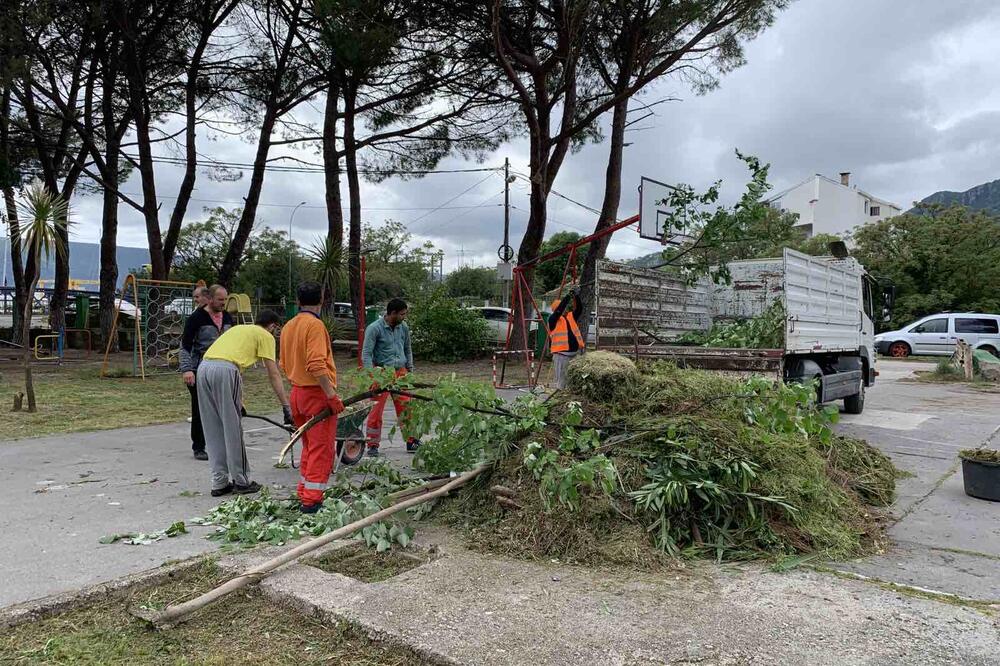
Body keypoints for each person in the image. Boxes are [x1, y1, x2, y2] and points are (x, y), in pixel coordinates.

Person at [197, 310, 291, 497]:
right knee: (232, 429)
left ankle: (220, 482)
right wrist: (286, 406)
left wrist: (240, 401)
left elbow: (236, 365)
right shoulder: (265, 336)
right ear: (272, 326)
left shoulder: (240, 329)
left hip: (204, 368)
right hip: (226, 370)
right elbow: (273, 374)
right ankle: (242, 481)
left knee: (213, 428)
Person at [279, 281, 346, 512]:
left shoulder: (289, 325)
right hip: (316, 395)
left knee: (309, 446)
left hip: (297, 392)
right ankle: (312, 501)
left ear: (298, 301)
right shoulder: (315, 326)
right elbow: (316, 364)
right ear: (322, 300)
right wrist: (331, 395)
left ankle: (304, 491)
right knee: (321, 449)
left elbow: (283, 363)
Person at [179, 284, 234, 460]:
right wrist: (187, 369)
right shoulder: (196, 318)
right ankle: (199, 446)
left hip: (222, 368)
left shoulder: (227, 317)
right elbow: (185, 346)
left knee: (221, 407)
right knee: (200, 408)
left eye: (225, 299)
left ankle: (220, 443)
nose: (223, 303)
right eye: (220, 299)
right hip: (199, 368)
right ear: (209, 299)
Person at [362, 298, 419, 456]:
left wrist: (410, 370)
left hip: (401, 372)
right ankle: (372, 444)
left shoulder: (403, 327)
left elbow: (407, 349)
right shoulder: (374, 328)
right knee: (376, 410)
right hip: (381, 373)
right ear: (392, 313)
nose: (404, 317)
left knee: (406, 409)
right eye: (402, 314)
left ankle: (411, 440)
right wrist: (372, 375)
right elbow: (366, 354)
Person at [549, 287, 585, 389]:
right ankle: (560, 397)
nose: (564, 309)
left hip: (575, 354)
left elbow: (579, 309)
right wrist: (569, 296)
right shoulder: (553, 320)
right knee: (562, 381)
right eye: (562, 308)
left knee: (573, 381)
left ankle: (571, 402)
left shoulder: (570, 317)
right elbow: (559, 309)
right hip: (562, 356)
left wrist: (576, 296)